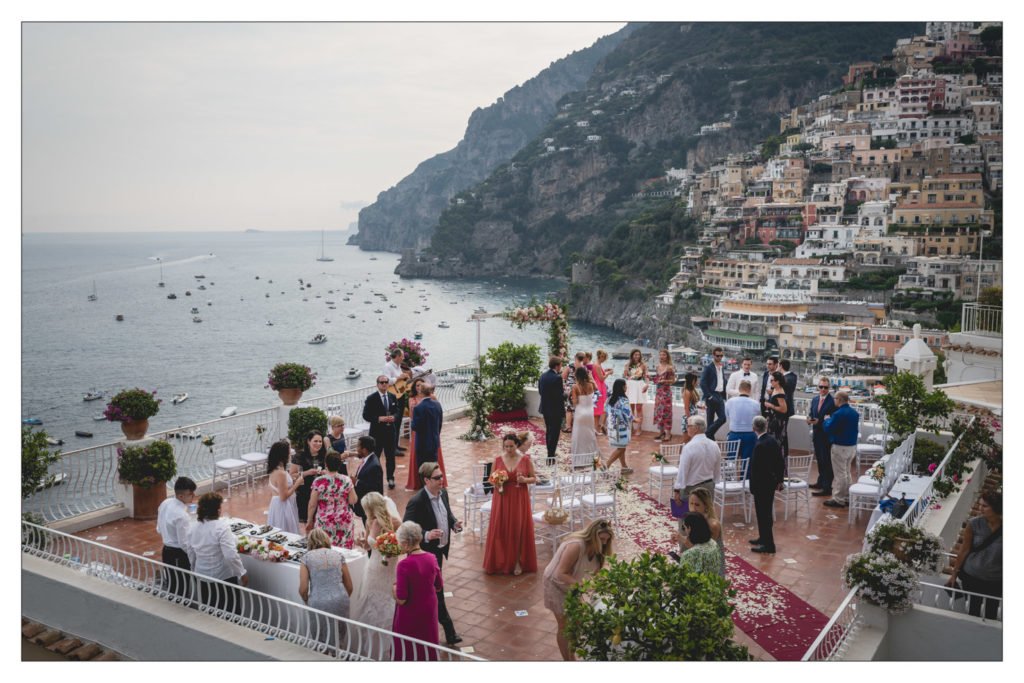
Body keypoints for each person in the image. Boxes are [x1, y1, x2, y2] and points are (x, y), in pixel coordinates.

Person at [402, 461, 463, 647]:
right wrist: (427, 535)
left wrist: (454, 524)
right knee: (436, 591)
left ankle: (423, 630)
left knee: (433, 591)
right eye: (437, 478)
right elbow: (405, 530)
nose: (442, 480)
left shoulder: (443, 493)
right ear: (426, 480)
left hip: (438, 552)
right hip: (423, 555)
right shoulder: (417, 502)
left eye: (442, 476)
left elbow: (447, 514)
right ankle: (448, 631)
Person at [542, 519, 615, 661]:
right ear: (593, 536)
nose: (605, 543)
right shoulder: (576, 545)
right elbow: (560, 573)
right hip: (555, 584)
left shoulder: (600, 550)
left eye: (607, 540)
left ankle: (571, 657)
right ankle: (568, 660)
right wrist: (583, 586)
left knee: (577, 624)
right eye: (602, 539)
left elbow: (597, 573)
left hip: (573, 585)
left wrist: (604, 584)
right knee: (564, 626)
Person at [350, 492, 402, 657]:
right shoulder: (369, 521)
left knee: (387, 604)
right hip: (374, 568)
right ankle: (371, 647)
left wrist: (372, 539)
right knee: (370, 605)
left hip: (389, 567)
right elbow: (368, 546)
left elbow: (392, 544)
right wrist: (361, 543)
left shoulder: (395, 522)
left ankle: (386, 647)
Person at [483, 433, 539, 576]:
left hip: (519, 498)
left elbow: (534, 478)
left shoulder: (525, 460)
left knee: (518, 527)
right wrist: (498, 481)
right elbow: (490, 479)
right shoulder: (497, 460)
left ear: (517, 445)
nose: (508, 449)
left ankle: (518, 561)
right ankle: (500, 561)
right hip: (502, 498)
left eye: (511, 446)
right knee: (500, 528)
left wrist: (524, 481)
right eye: (506, 446)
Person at [187, 492, 248, 613]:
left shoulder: (193, 527)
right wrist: (241, 572)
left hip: (202, 575)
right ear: (217, 510)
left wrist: (194, 569)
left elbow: (191, 552)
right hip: (223, 577)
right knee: (230, 611)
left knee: (209, 609)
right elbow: (230, 555)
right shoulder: (221, 527)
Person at [946, 490, 1002, 619]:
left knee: (991, 613)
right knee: (973, 610)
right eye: (980, 505)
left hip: (995, 581)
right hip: (972, 577)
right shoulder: (974, 524)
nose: (980, 508)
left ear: (995, 508)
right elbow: (963, 550)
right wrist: (954, 574)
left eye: (985, 506)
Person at [392, 521, 443, 661]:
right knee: (427, 642)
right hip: (428, 609)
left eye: (400, 542)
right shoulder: (432, 558)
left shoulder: (404, 565)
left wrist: (393, 588)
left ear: (406, 543)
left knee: (409, 646)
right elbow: (439, 585)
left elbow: (401, 598)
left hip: (411, 612)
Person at [299, 527, 353, 651]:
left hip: (318, 601)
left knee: (320, 638)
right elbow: (349, 586)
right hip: (340, 600)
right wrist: (340, 598)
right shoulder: (338, 555)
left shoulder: (306, 558)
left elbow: (303, 588)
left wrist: (307, 600)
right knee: (339, 638)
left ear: (310, 542)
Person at [672, 415, 721, 544]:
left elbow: (683, 471)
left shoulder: (689, 447)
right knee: (707, 519)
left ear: (696, 428)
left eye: (688, 426)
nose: (686, 428)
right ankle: (706, 547)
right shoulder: (714, 445)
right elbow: (717, 469)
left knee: (686, 523)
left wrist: (677, 489)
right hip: (709, 485)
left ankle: (685, 553)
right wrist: (714, 482)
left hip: (690, 489)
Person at [307, 451, 358, 549]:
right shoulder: (346, 479)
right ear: (339, 464)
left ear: (326, 464)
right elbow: (353, 500)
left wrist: (309, 520)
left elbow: (312, 504)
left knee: (324, 548)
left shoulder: (318, 481)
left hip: (324, 521)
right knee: (344, 550)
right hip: (344, 520)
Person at [749, 416, 785, 554]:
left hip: (762, 485)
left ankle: (769, 544)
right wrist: (779, 480)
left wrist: (753, 487)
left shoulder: (759, 445)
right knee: (765, 513)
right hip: (770, 483)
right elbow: (780, 462)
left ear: (754, 428)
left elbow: (756, 470)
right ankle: (763, 537)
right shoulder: (772, 440)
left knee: (763, 514)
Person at [156, 476, 196, 597]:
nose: (193, 496)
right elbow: (184, 544)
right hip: (178, 554)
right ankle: (180, 610)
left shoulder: (165, 503)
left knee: (173, 583)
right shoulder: (181, 515)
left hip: (166, 550)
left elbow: (158, 528)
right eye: (191, 494)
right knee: (181, 586)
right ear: (181, 496)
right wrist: (193, 558)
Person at [822, 391, 859, 509]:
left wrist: (826, 419)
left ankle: (838, 499)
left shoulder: (838, 414)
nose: (834, 401)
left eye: (835, 399)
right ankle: (847, 496)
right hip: (852, 446)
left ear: (839, 400)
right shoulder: (855, 413)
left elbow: (829, 428)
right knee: (847, 472)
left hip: (840, 446)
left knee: (840, 474)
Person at [409, 382, 447, 490]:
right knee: (434, 466)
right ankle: (435, 487)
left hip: (422, 443)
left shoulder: (418, 407)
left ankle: (425, 488)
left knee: (423, 468)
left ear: (420, 392)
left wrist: (412, 422)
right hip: (434, 441)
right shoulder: (437, 404)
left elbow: (415, 427)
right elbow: (439, 424)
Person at [363, 375, 400, 489]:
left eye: (386, 382)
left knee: (390, 456)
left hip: (390, 432)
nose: (384, 384)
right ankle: (376, 478)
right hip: (376, 433)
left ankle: (390, 478)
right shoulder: (371, 398)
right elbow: (366, 415)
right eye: (381, 382)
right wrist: (379, 418)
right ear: (377, 384)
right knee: (375, 456)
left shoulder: (393, 396)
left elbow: (397, 411)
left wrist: (394, 417)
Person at [807, 378, 837, 497]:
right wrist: (809, 419)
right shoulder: (814, 399)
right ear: (818, 387)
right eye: (821, 387)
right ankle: (820, 482)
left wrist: (819, 422)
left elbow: (832, 420)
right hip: (816, 434)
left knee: (827, 461)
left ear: (829, 388)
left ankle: (827, 487)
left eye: (825, 387)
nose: (823, 389)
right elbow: (811, 413)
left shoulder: (833, 402)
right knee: (819, 459)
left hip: (826, 436)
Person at [266, 440, 302, 534]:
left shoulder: (275, 469)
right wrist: (297, 483)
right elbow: (283, 496)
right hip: (283, 507)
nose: (290, 455)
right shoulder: (281, 473)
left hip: (278, 505)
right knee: (286, 532)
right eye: (289, 453)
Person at [687, 488, 725, 577]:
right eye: (691, 504)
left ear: (706, 506)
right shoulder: (694, 520)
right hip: (699, 563)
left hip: (712, 567)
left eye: (697, 505)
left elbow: (706, 553)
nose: (693, 508)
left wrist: (685, 541)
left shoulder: (712, 525)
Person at [725, 379, 760, 473]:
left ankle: (729, 482)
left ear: (739, 389)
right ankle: (746, 482)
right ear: (750, 390)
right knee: (747, 462)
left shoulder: (730, 402)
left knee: (731, 461)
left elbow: (728, 416)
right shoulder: (756, 403)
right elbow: (757, 419)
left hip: (734, 434)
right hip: (750, 434)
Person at [383, 347, 412, 454]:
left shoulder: (398, 366)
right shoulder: (388, 366)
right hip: (392, 396)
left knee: (398, 421)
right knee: (394, 422)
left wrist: (405, 378)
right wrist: (399, 377)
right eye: (402, 356)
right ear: (398, 356)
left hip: (400, 395)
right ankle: (391, 448)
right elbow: (387, 381)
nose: (403, 358)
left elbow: (399, 382)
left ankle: (396, 445)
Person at [294, 431, 327, 525]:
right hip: (305, 493)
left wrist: (325, 472)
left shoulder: (324, 455)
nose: (318, 444)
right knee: (308, 523)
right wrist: (307, 473)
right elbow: (292, 474)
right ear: (308, 441)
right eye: (315, 441)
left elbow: (331, 471)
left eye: (320, 441)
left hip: (322, 493)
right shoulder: (300, 456)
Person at [538, 355, 566, 465]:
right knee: (554, 433)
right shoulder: (557, 378)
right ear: (557, 366)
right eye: (560, 365)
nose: (561, 367)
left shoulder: (543, 376)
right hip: (555, 409)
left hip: (545, 407)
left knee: (549, 431)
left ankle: (550, 453)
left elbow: (540, 391)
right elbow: (559, 396)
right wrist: (566, 394)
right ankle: (551, 455)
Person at [351, 435, 384, 525]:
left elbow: (375, 487)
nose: (356, 449)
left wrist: (356, 482)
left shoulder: (374, 466)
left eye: (358, 446)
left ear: (364, 450)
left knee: (369, 527)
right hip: (365, 503)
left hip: (370, 506)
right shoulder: (368, 459)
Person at [603, 379, 632, 473]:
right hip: (621, 428)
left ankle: (624, 467)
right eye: (626, 385)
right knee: (621, 448)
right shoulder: (624, 400)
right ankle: (606, 465)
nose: (627, 387)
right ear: (622, 387)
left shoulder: (610, 398)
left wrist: (602, 424)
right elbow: (627, 414)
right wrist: (635, 419)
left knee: (621, 447)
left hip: (611, 427)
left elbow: (605, 412)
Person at [570, 366, 599, 457]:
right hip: (590, 413)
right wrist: (591, 377)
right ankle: (593, 459)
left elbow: (575, 403)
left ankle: (579, 460)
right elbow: (597, 389)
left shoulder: (575, 387)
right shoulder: (591, 385)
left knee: (578, 437)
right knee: (590, 436)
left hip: (580, 413)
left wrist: (571, 398)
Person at [700, 347, 728, 439]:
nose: (719, 357)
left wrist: (725, 395)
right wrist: (709, 396)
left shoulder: (721, 367)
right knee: (710, 421)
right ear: (713, 355)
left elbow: (722, 381)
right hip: (712, 395)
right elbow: (702, 383)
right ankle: (710, 440)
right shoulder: (708, 368)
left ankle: (706, 434)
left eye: (721, 355)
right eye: (717, 355)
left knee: (723, 418)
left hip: (720, 396)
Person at [762, 371, 790, 464]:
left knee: (776, 442)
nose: (771, 382)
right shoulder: (775, 390)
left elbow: (784, 409)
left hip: (777, 422)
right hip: (773, 420)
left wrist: (771, 406)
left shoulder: (780, 393)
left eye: (772, 380)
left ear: (777, 381)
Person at [653, 349, 677, 443]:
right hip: (658, 392)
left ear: (667, 356)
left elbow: (673, 380)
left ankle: (668, 433)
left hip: (666, 392)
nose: (662, 356)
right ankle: (661, 432)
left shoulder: (670, 367)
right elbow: (656, 378)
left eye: (664, 355)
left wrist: (665, 381)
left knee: (667, 412)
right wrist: (654, 380)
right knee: (659, 411)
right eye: (660, 355)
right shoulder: (657, 367)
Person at [622, 349, 648, 435]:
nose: (637, 356)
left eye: (638, 355)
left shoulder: (643, 365)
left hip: (640, 386)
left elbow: (646, 376)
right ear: (632, 355)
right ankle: (631, 427)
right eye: (635, 354)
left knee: (639, 408)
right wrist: (625, 370)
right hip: (630, 386)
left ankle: (639, 428)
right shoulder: (628, 364)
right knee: (631, 408)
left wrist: (647, 385)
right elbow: (624, 376)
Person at [561, 352, 586, 434]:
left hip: (570, 389)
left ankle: (568, 427)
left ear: (575, 357)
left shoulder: (570, 366)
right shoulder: (584, 368)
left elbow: (563, 377)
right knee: (577, 408)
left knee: (569, 409)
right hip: (580, 389)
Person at [780, 359, 798, 457]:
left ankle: (784, 453)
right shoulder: (792, 377)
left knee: (783, 431)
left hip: (785, 408)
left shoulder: (789, 378)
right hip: (784, 407)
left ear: (781, 366)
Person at [680, 372, 700, 444]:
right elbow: (686, 407)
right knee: (686, 440)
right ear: (693, 381)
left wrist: (700, 407)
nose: (697, 382)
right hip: (689, 419)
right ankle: (682, 454)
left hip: (693, 417)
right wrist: (689, 421)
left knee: (691, 440)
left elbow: (692, 405)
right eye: (696, 380)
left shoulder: (692, 391)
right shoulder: (687, 392)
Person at [594, 349, 610, 435]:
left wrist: (605, 371)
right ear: (601, 356)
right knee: (599, 409)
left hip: (600, 387)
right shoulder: (597, 365)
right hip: (599, 388)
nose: (605, 359)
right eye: (604, 357)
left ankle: (597, 429)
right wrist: (608, 373)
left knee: (598, 410)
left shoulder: (597, 364)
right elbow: (601, 378)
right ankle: (597, 428)